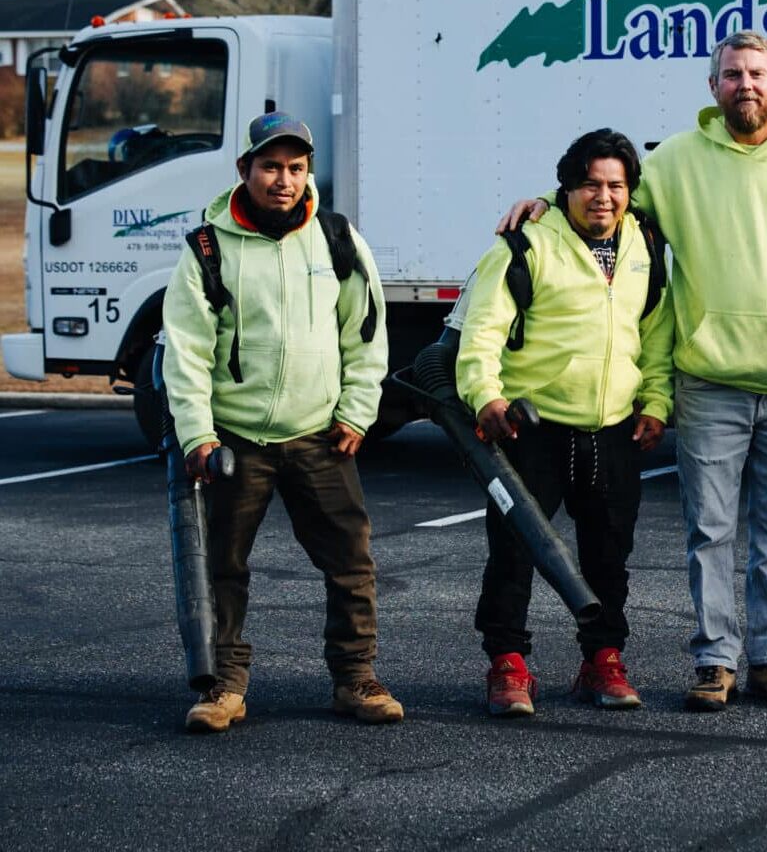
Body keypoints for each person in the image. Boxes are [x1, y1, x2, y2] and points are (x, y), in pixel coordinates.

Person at [501, 32, 767, 711]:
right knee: (711, 531)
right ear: (713, 87)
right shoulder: (674, 165)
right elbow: (603, 204)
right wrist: (546, 204)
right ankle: (715, 661)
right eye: (731, 74)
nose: (745, 85)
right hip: (708, 380)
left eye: (756, 73)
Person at [161, 111, 400, 732]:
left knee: (350, 563)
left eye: (296, 168)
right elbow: (186, 352)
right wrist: (198, 435)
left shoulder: (338, 238)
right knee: (223, 567)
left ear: (307, 172)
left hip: (321, 434)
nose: (283, 179)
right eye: (270, 166)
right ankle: (224, 686)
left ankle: (355, 679)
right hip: (235, 442)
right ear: (245, 170)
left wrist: (356, 412)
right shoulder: (205, 249)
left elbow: (366, 334)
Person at [456, 129, 672, 717]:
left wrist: (656, 403)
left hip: (613, 429)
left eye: (615, 186)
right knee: (514, 553)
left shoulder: (644, 242)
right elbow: (482, 332)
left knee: (608, 557)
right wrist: (486, 398)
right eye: (590, 185)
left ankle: (602, 662)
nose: (603, 197)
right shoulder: (523, 245)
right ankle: (508, 666)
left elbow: (655, 332)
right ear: (567, 188)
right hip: (532, 430)